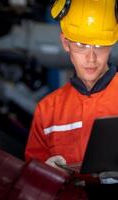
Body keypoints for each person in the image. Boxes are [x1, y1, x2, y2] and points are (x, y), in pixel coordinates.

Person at [25, 0, 118, 170]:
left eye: (99, 46)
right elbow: (31, 184)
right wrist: (45, 174)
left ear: (111, 45)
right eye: (81, 45)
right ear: (65, 43)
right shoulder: (47, 111)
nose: (91, 58)